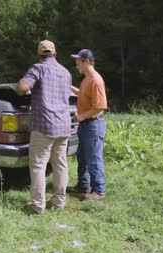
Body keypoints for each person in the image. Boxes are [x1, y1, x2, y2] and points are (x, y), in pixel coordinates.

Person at [16, 40, 72, 214]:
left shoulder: (38, 68)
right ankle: (58, 203)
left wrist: (18, 87)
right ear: (55, 53)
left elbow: (22, 88)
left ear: (39, 55)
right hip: (63, 125)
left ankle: (38, 206)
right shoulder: (66, 72)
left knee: (39, 166)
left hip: (44, 125)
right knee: (60, 165)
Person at [67, 49, 108, 201]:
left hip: (92, 125)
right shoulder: (86, 79)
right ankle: (83, 185)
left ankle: (99, 191)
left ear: (87, 61)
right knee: (82, 157)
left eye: (78, 61)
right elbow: (83, 94)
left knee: (93, 158)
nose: (76, 64)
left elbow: (100, 107)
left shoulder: (96, 80)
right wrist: (70, 87)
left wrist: (80, 116)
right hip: (85, 125)